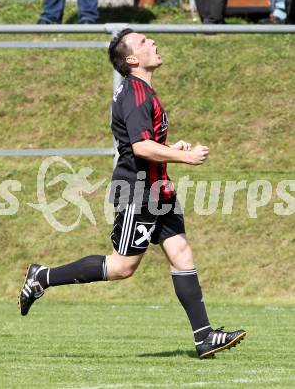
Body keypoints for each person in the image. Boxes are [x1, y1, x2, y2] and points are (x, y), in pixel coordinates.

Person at [19, 28, 246, 359]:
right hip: (138, 194)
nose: (152, 42)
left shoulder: (143, 91)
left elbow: (143, 142)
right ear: (132, 59)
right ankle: (42, 277)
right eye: (143, 41)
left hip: (159, 191)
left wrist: (169, 149)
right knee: (122, 267)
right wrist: (184, 156)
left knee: (181, 252)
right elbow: (139, 146)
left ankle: (204, 337)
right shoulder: (136, 94)